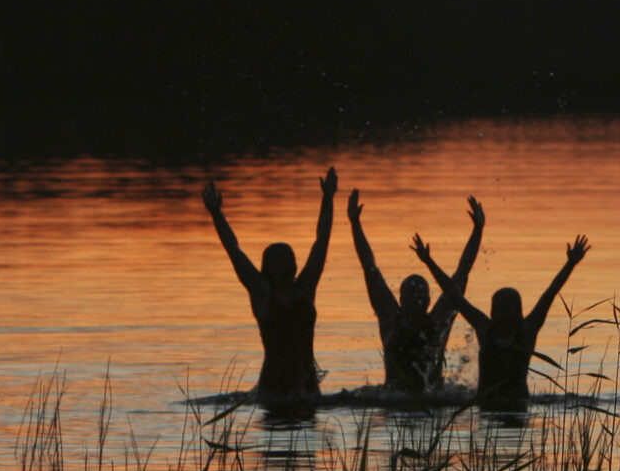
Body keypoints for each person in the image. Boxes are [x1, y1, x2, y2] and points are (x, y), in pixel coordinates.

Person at [202, 167, 337, 403]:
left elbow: (322, 241)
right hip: (272, 386)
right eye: (281, 260)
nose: (289, 264)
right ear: (268, 267)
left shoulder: (305, 288)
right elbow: (234, 250)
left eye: (291, 259)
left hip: (307, 386)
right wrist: (216, 214)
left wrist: (328, 198)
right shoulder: (262, 292)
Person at [412, 232, 588, 409]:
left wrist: (570, 264)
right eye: (497, 308)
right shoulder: (484, 328)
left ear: (517, 310)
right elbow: (455, 296)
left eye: (506, 307)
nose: (501, 312)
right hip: (485, 407)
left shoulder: (528, 329)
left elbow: (550, 293)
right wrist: (429, 262)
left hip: (519, 407)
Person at [348, 189, 483, 396]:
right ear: (400, 299)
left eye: (421, 293)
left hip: (429, 397)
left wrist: (478, 230)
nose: (416, 297)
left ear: (429, 300)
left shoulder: (438, 322)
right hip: (395, 397)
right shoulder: (390, 320)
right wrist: (355, 224)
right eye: (411, 293)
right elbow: (369, 267)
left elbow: (461, 274)